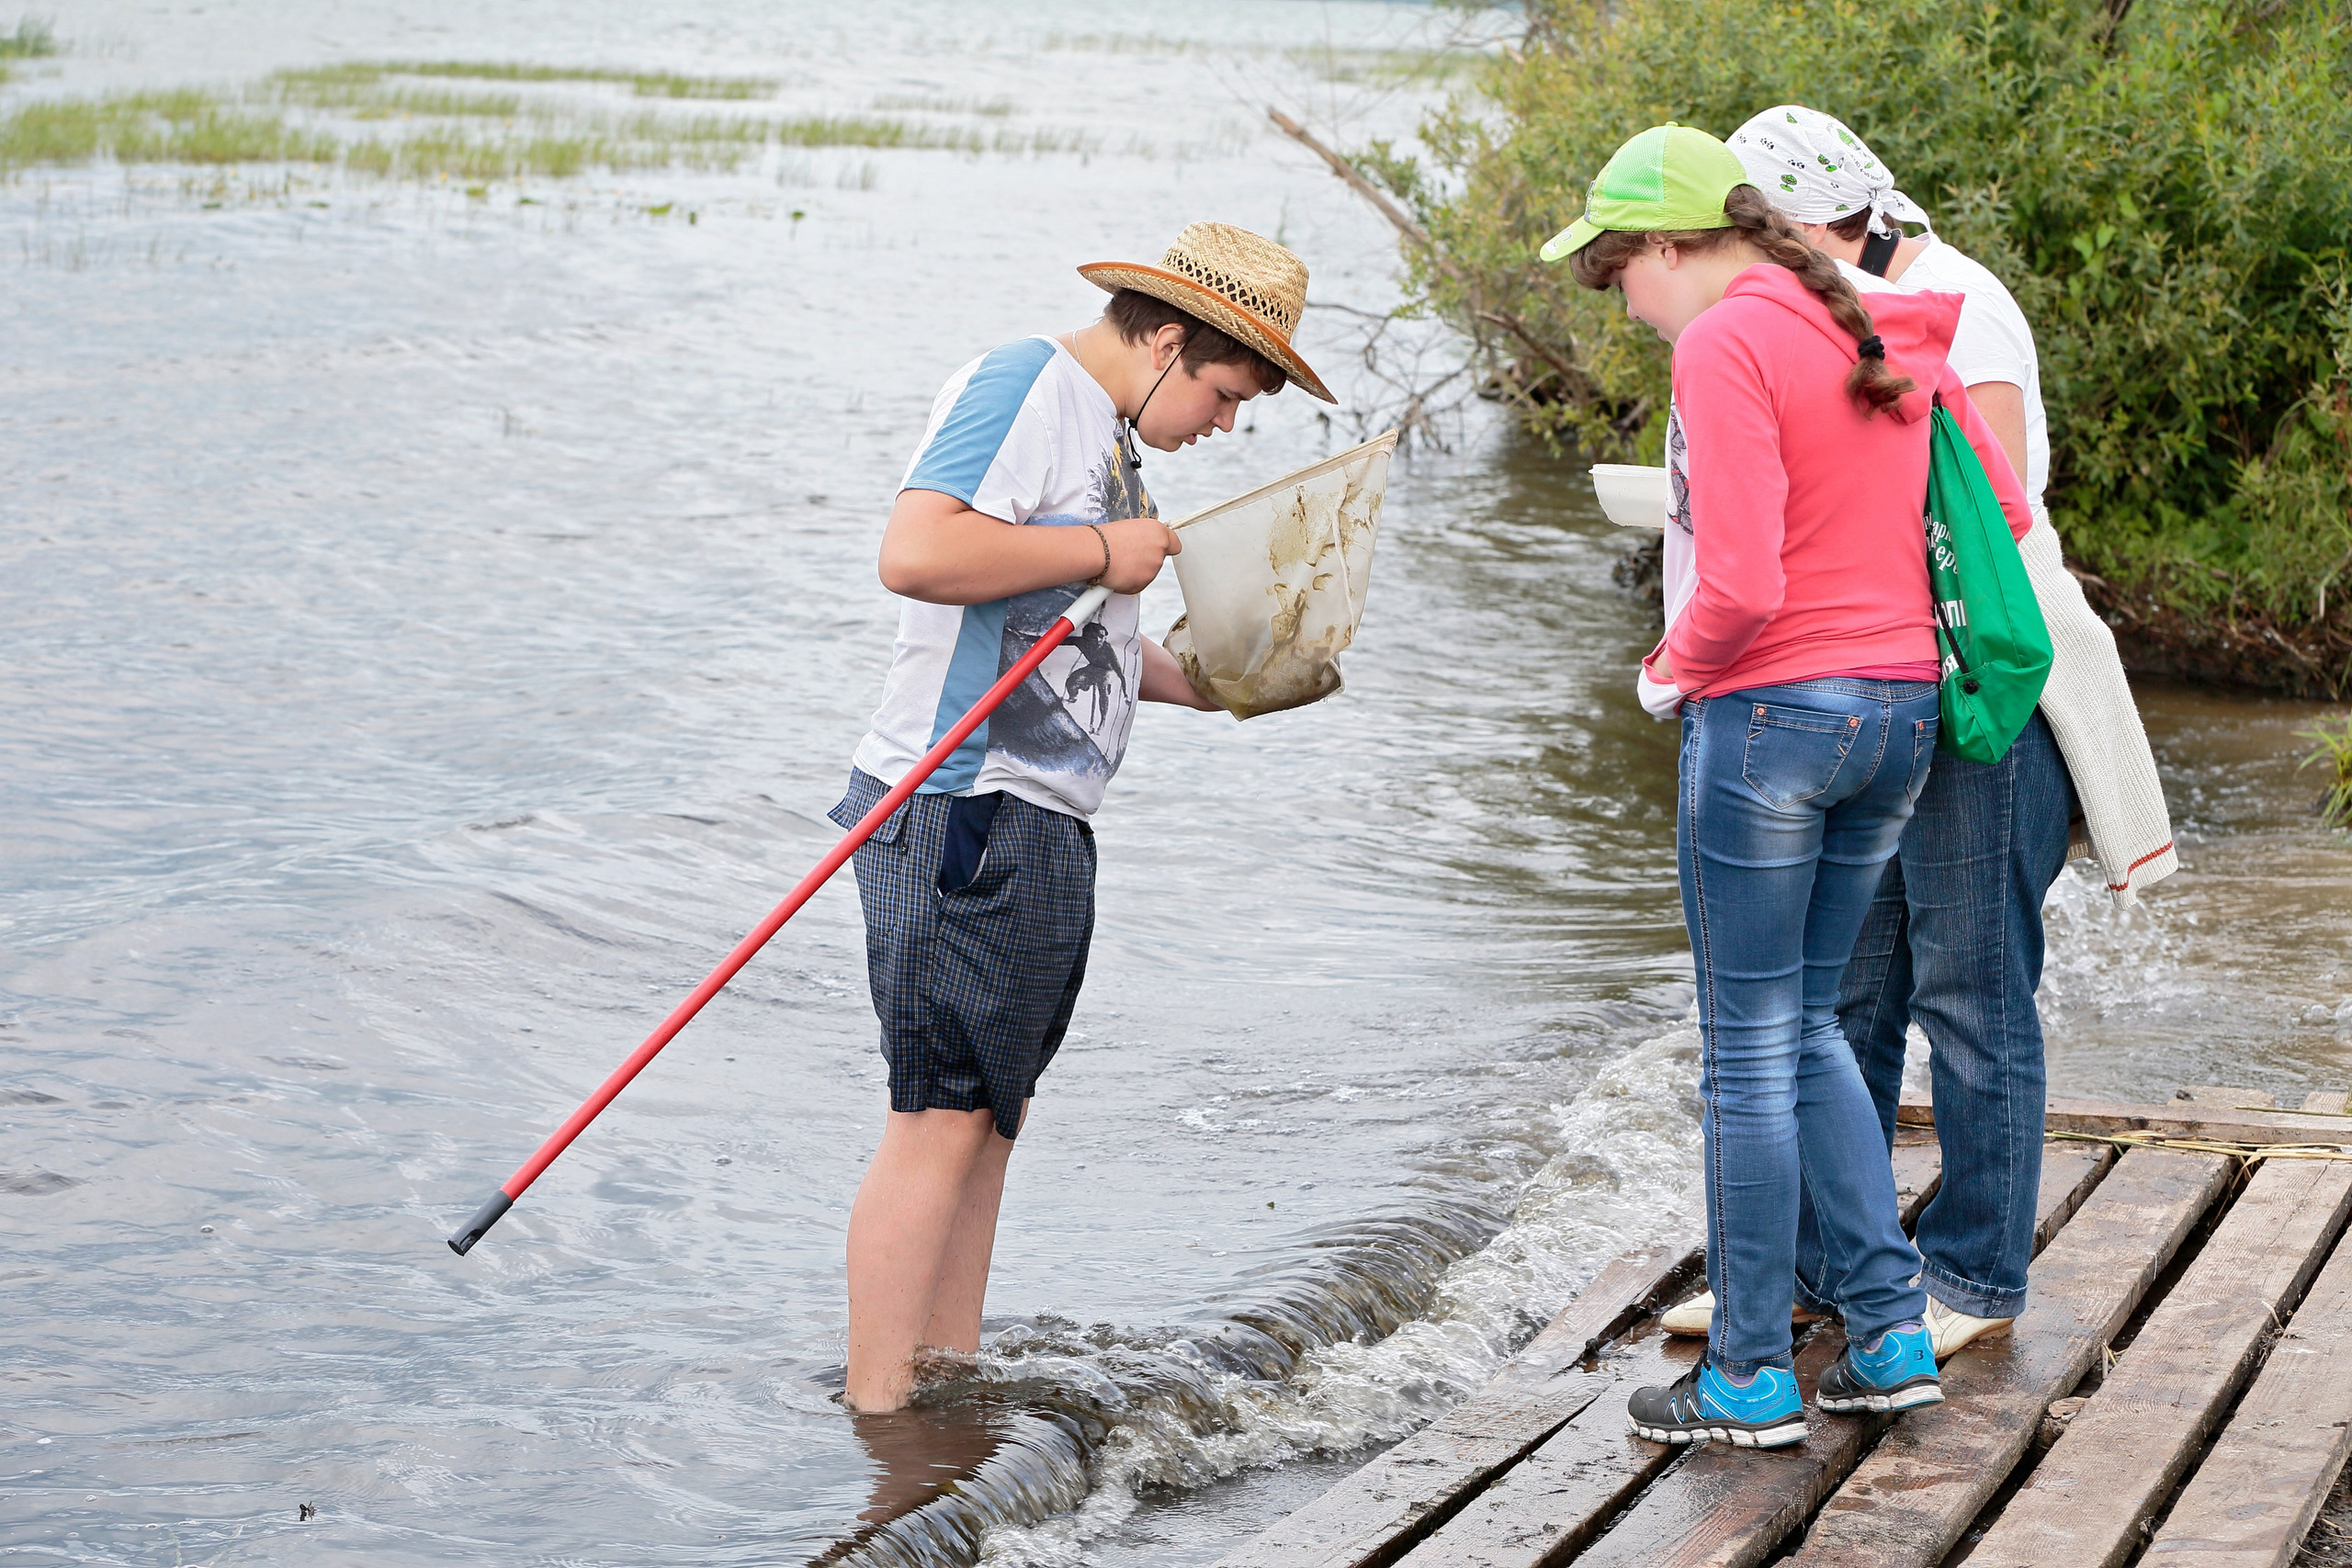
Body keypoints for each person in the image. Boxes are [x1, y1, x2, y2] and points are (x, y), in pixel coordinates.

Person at [1654, 107, 2178, 1359]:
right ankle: (1833, 1268)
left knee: (1973, 986)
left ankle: (1977, 1274)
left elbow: (1980, 515)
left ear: (1826, 223)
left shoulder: (1955, 305)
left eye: (1771, 233)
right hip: (1879, 678)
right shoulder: (1819, 309)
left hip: (1975, 689)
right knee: (1847, 991)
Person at [1544, 123, 2033, 1447]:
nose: (1626, 307)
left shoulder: (1725, 341)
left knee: (1746, 1057)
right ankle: (1884, 1335)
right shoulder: (1867, 325)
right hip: (1900, 718)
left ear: (1664, 244)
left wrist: (1669, 668)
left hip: (1774, 721)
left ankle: (1750, 1375)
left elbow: (1746, 579)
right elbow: (2009, 512)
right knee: (1811, 1026)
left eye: (1618, 276)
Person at [832, 222, 1335, 1412]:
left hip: (1045, 820)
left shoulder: (1109, 446)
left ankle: (940, 1394)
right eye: (1223, 393)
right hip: (957, 804)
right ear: (1167, 339)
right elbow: (917, 551)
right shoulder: (1023, 383)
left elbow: (1078, 632)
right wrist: (1111, 545)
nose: (1222, 425)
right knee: (938, 1118)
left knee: (990, 1121)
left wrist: (1213, 680)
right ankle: (882, 1423)